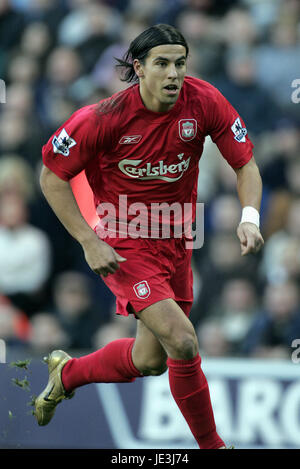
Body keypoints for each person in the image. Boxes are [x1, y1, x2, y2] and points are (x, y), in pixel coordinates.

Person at [34, 24, 264, 449]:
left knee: (151, 360)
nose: (173, 74)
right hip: (124, 243)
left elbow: (245, 164)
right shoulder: (103, 118)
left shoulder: (205, 100)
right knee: (182, 339)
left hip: (177, 244)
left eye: (179, 63)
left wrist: (249, 217)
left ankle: (67, 375)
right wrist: (89, 240)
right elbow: (51, 176)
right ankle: (214, 446)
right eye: (162, 64)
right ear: (139, 68)